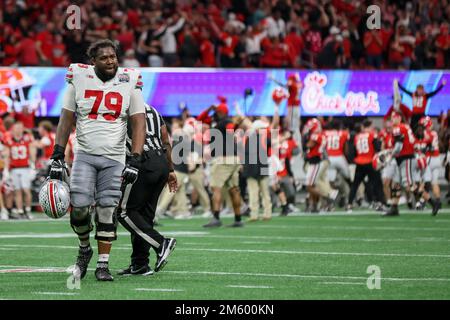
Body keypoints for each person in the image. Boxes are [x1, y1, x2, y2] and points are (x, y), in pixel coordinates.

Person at [49, 40, 146, 281]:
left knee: (107, 210)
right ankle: (84, 249)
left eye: (113, 56)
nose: (111, 61)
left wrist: (135, 158)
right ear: (93, 61)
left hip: (114, 157)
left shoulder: (129, 79)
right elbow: (66, 118)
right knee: (79, 208)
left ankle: (103, 264)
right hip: (84, 155)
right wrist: (58, 154)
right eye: (104, 58)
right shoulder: (79, 77)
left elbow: (138, 121)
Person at [117, 104, 177, 276]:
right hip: (160, 162)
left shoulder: (124, 108)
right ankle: (140, 263)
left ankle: (160, 243)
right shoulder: (153, 110)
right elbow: (165, 140)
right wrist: (170, 169)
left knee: (123, 212)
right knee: (144, 215)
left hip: (141, 163)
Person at [197, 102, 244, 228]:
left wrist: (234, 125)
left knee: (215, 188)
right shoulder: (217, 122)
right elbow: (200, 118)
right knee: (234, 189)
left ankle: (216, 217)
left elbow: (230, 128)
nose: (215, 113)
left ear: (222, 112)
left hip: (224, 159)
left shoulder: (225, 121)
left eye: (217, 111)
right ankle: (238, 219)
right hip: (233, 159)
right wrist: (209, 108)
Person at [347, 120, 386, 212]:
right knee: (377, 183)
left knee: (355, 185)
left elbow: (354, 150)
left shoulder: (357, 137)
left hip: (360, 162)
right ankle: (381, 202)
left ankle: (349, 204)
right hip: (370, 162)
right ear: (368, 127)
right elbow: (377, 148)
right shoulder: (372, 135)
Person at [2, 121, 36, 220]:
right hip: (14, 168)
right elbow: (7, 156)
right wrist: (6, 170)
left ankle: (28, 210)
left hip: (25, 168)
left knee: (26, 190)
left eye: (20, 128)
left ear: (22, 128)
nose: (18, 130)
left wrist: (33, 166)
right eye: (16, 128)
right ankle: (20, 210)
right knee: (17, 191)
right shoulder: (9, 140)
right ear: (13, 129)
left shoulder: (27, 138)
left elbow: (32, 152)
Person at [384, 111, 415, 216]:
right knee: (395, 184)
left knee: (408, 185)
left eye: (394, 117)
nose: (392, 120)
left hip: (405, 158)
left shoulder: (399, 128)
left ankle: (431, 201)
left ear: (399, 118)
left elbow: (398, 147)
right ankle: (394, 207)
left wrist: (390, 156)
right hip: (404, 157)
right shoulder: (406, 127)